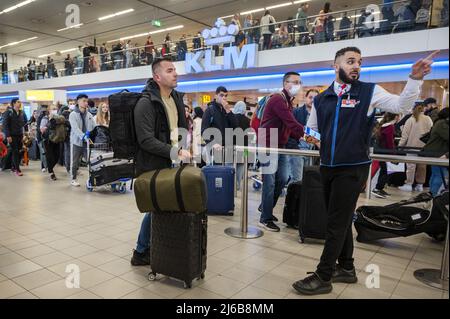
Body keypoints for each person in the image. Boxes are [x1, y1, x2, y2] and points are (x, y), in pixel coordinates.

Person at [292, 47, 437, 295]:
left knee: (335, 224)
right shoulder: (321, 98)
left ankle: (324, 275)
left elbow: (402, 106)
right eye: (350, 61)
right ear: (335, 66)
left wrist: (415, 79)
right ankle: (346, 268)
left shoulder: (369, 92)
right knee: (339, 219)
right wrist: (319, 139)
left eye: (359, 62)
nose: (356, 66)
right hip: (327, 167)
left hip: (353, 168)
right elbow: (311, 129)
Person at [130, 57, 190, 266]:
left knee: (163, 207)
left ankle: (153, 246)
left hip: (172, 160)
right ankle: (140, 251)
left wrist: (184, 147)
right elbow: (145, 139)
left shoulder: (175, 99)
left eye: (175, 69)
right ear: (157, 76)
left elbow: (179, 129)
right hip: (153, 162)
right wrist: (175, 152)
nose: (175, 73)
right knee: (156, 207)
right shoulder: (146, 102)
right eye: (170, 70)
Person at [258, 72, 305, 231]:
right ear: (286, 84)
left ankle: (265, 207)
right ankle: (265, 217)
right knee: (269, 181)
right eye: (295, 82)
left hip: (280, 143)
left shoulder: (288, 101)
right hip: (268, 142)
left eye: (300, 82)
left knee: (283, 177)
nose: (298, 85)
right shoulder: (278, 99)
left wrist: (304, 135)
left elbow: (288, 126)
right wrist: (306, 134)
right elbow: (291, 122)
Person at [398, 102, 434, 192]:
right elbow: (431, 132)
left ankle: (409, 184)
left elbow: (405, 135)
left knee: (411, 166)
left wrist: (400, 145)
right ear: (423, 109)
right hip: (424, 147)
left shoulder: (411, 119)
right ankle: (420, 185)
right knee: (422, 166)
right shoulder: (428, 119)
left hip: (411, 146)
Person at [286, 89, 319, 183]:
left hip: (312, 152)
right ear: (305, 98)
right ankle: (293, 197)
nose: (312, 100)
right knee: (297, 179)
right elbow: (289, 130)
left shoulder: (320, 115)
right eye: (310, 97)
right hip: (297, 151)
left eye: (315, 98)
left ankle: (302, 198)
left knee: (307, 181)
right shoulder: (296, 112)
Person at [201, 86, 238, 161]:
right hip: (214, 148)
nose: (224, 97)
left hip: (226, 149)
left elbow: (235, 126)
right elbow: (204, 130)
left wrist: (228, 110)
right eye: (221, 95)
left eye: (225, 95)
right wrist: (212, 143)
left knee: (225, 171)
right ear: (216, 96)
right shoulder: (210, 110)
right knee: (215, 171)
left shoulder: (226, 110)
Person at [68, 94, 96, 187]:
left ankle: (92, 178)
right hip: (76, 142)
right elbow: (75, 129)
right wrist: (83, 136)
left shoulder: (89, 114)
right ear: (78, 101)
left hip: (87, 142)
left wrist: (93, 133)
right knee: (75, 162)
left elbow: (93, 126)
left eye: (86, 101)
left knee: (90, 161)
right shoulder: (72, 114)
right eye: (84, 101)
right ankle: (73, 179)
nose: (86, 103)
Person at [372, 112, 400, 198]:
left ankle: (379, 188)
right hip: (385, 152)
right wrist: (393, 153)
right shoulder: (390, 126)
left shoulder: (383, 125)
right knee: (385, 170)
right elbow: (389, 141)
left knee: (384, 170)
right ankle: (378, 188)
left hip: (380, 150)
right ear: (395, 116)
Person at [423, 107, 449, 196]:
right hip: (438, 153)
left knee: (435, 174)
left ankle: (431, 193)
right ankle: (433, 194)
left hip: (435, 152)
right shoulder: (442, 123)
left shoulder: (439, 122)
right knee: (439, 174)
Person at [3, 98, 28, 176]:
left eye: (20, 102)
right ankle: (17, 169)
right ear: (14, 103)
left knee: (20, 151)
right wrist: (8, 136)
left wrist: (25, 133)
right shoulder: (8, 112)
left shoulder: (21, 112)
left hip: (20, 135)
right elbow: (5, 125)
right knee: (15, 151)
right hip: (12, 136)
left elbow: (24, 123)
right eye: (18, 102)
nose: (20, 103)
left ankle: (13, 167)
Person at [233, 101, 251, 191]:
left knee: (232, 164)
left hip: (233, 145)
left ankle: (232, 182)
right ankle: (238, 183)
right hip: (245, 146)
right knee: (241, 165)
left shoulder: (232, 118)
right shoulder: (248, 120)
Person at [40, 105, 60, 181]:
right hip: (47, 140)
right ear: (49, 110)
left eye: (55, 109)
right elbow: (42, 130)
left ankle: (49, 167)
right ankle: (51, 172)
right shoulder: (45, 119)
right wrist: (49, 123)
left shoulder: (58, 118)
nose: (54, 110)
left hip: (56, 140)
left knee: (57, 156)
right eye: (53, 109)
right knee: (49, 157)